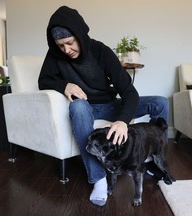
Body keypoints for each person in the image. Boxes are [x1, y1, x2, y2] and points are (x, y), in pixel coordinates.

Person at [38, 5, 169, 207]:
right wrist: (65, 85)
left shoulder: (101, 51)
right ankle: (98, 179)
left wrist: (123, 121)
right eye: (60, 45)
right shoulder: (55, 55)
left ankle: (150, 162)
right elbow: (43, 81)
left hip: (110, 105)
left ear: (79, 35)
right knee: (78, 107)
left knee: (160, 103)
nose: (66, 50)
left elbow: (128, 91)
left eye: (70, 43)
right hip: (86, 108)